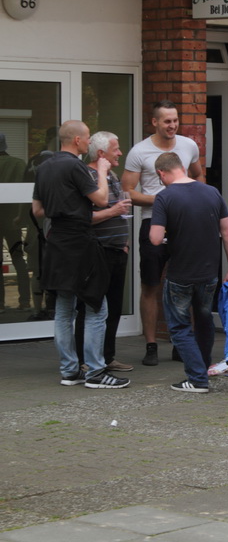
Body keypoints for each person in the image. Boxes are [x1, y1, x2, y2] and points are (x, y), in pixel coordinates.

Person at [32, 120, 128, 389]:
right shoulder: (76, 166)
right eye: (87, 138)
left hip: (57, 243)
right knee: (97, 306)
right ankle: (96, 372)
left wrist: (61, 210)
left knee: (64, 309)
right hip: (80, 242)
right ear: (76, 140)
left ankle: (69, 371)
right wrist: (102, 171)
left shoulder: (44, 167)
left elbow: (38, 210)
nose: (88, 143)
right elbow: (101, 199)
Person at [122, 100, 203, 366]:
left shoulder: (189, 146)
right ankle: (151, 345)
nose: (173, 125)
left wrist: (192, 201)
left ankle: (182, 344)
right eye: (167, 121)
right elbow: (127, 192)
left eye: (175, 120)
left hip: (184, 225)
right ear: (155, 122)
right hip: (152, 223)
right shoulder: (139, 151)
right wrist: (163, 200)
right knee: (150, 284)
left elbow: (198, 176)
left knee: (185, 284)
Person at [150, 152, 228, 393]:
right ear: (183, 167)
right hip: (209, 272)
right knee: (204, 320)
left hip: (180, 273)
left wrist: (169, 233)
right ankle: (202, 368)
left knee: (179, 327)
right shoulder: (211, 192)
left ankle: (197, 378)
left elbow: (155, 238)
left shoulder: (164, 197)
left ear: (161, 173)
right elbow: (227, 233)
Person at [74, 132, 133, 373]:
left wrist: (124, 243)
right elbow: (83, 217)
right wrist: (113, 212)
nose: (120, 153)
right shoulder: (87, 177)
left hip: (117, 250)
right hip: (98, 252)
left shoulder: (111, 175)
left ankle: (107, 357)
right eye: (115, 149)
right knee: (91, 305)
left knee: (114, 307)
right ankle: (84, 360)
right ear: (101, 153)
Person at [0, 133, 30, 313]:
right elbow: (25, 194)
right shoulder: (18, 164)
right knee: (18, 259)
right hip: (13, 220)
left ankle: (0, 305)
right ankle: (25, 302)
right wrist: (21, 216)